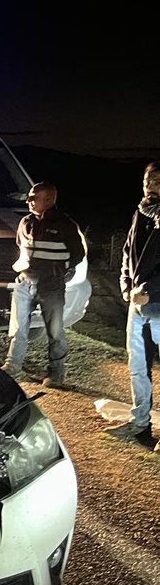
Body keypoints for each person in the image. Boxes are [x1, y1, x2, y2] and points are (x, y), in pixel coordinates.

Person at [0, 182, 86, 389]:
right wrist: (21, 264)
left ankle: (56, 373)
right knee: (19, 327)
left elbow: (78, 254)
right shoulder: (25, 222)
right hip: (24, 282)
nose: (28, 201)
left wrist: (59, 270)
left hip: (51, 285)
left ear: (48, 200)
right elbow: (21, 247)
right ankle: (13, 365)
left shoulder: (65, 224)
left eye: (33, 197)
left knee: (55, 330)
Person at [106, 160, 160, 448]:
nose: (150, 185)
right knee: (138, 365)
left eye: (158, 181)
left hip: (158, 302)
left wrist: (150, 289)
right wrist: (126, 286)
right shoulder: (141, 212)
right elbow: (128, 251)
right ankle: (140, 423)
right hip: (137, 303)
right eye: (147, 180)